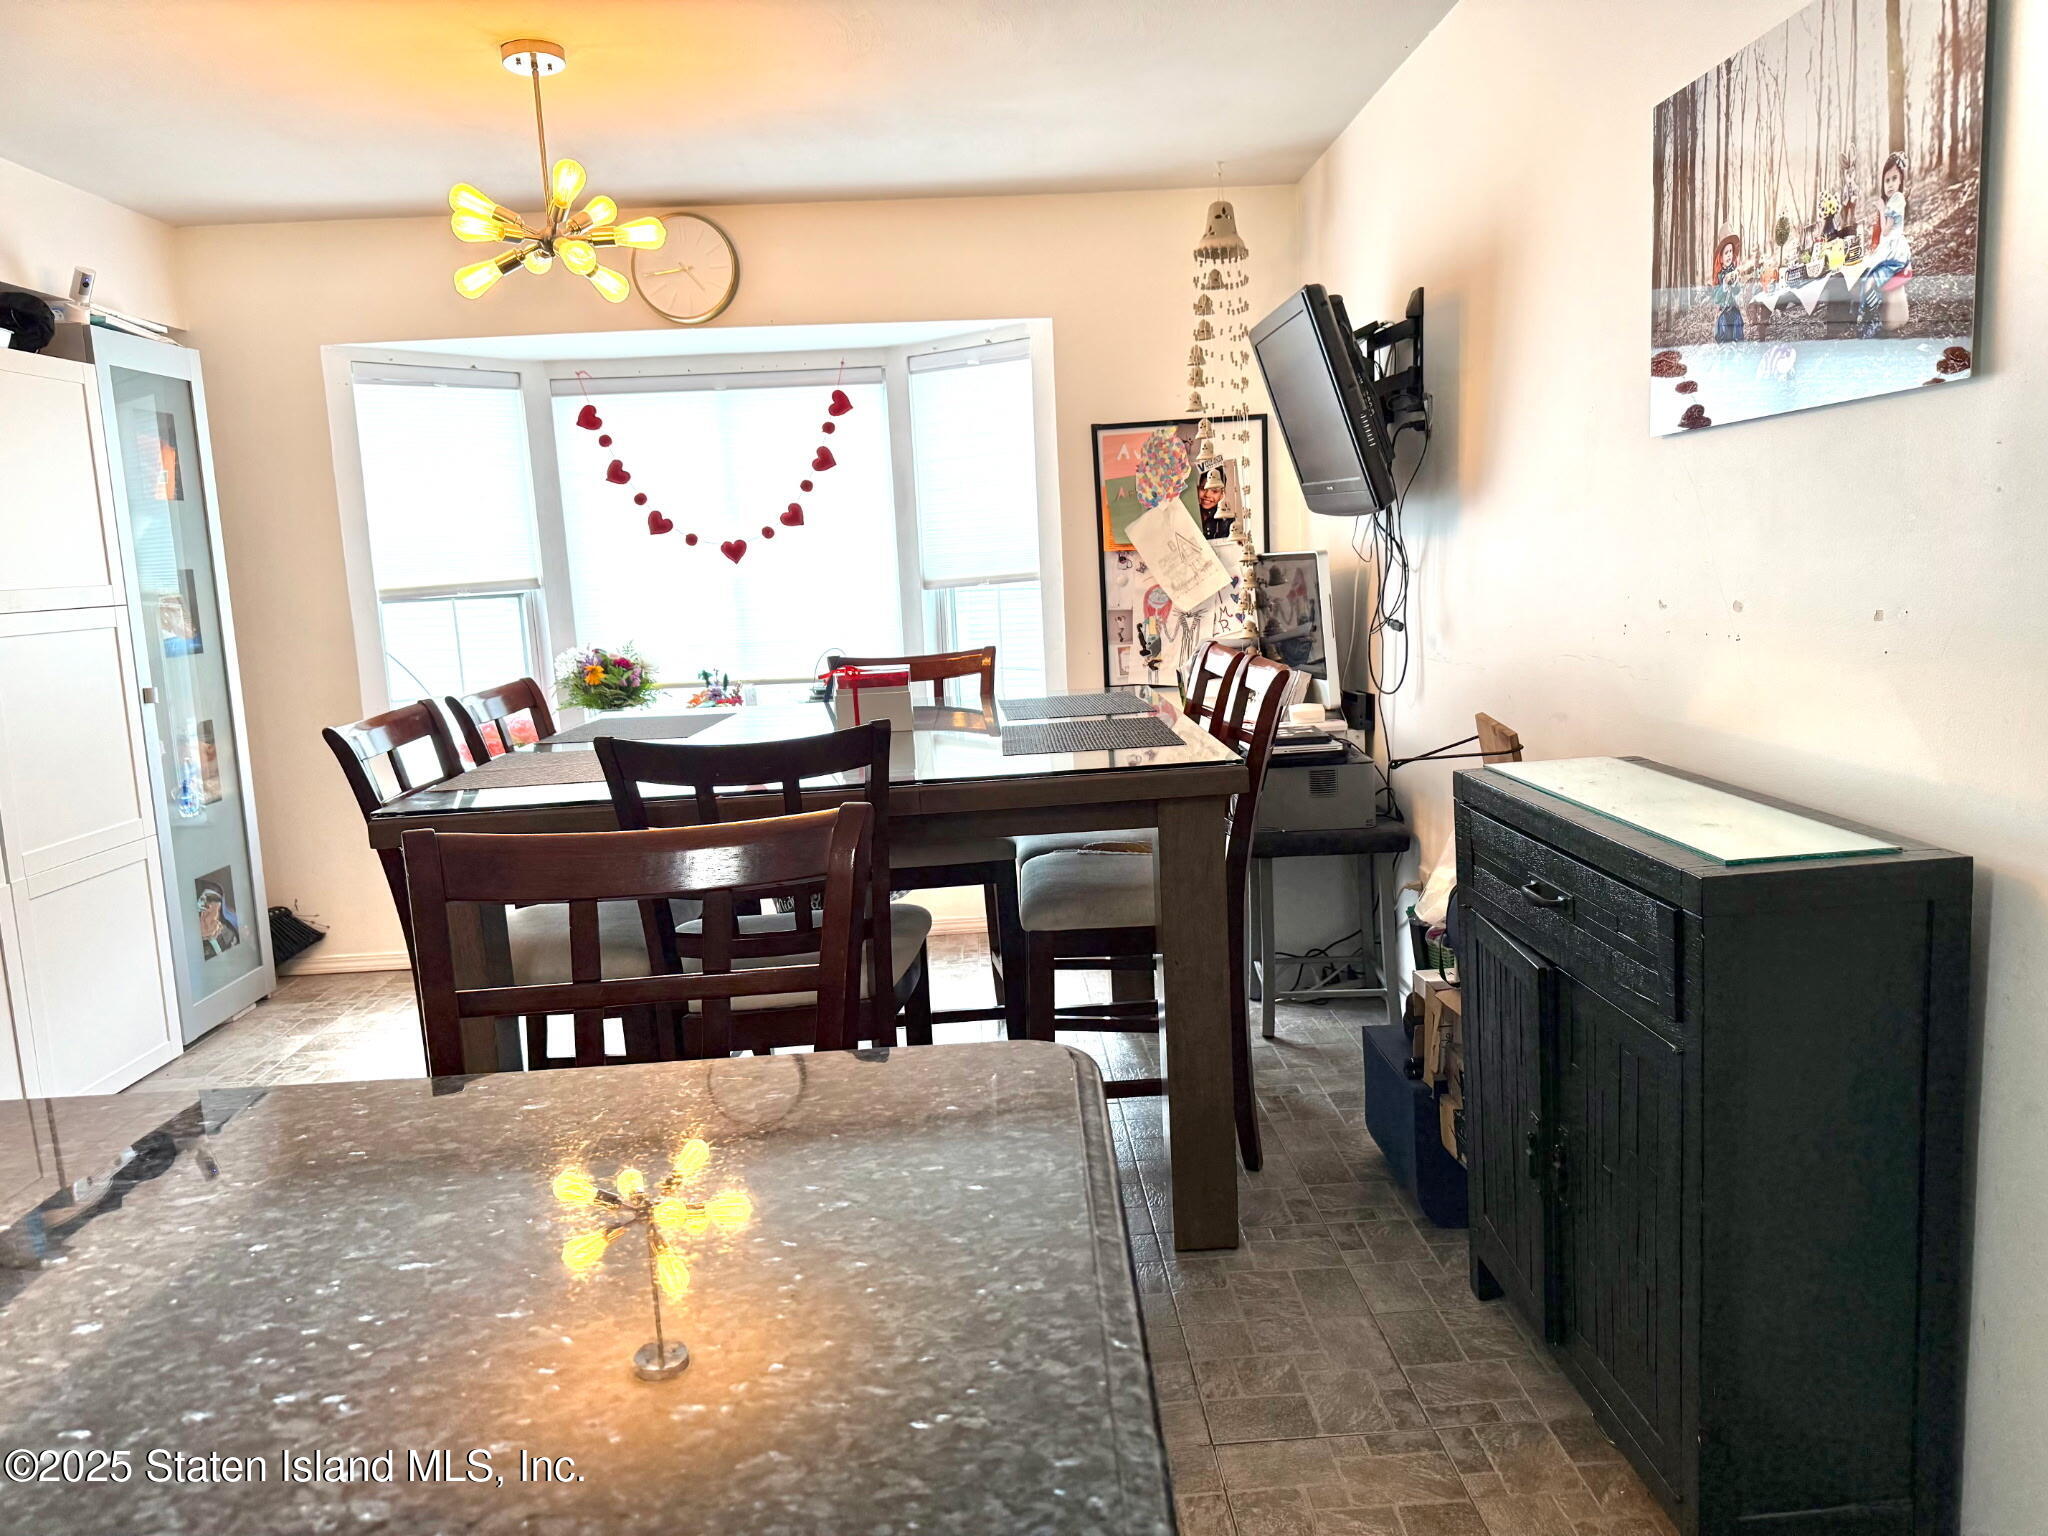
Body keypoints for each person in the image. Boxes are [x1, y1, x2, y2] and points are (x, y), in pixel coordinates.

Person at [1857, 151, 1913, 335]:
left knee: (1870, 281)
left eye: (1894, 179)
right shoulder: (1891, 201)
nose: (1890, 184)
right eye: (1886, 180)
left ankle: (1870, 320)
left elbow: (1887, 229)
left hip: (1894, 254)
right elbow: (1883, 229)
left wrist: (1881, 209)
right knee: (1865, 276)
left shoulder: (1897, 199)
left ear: (1901, 180)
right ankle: (1867, 316)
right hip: (1887, 249)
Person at [1710, 235, 1744, 342]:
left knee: (1737, 321)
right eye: (1726, 253)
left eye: (1730, 251)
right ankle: (1724, 346)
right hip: (1723, 311)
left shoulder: (1733, 271)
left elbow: (1737, 291)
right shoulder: (1719, 276)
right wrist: (1724, 284)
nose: (1729, 255)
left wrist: (1734, 284)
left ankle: (1737, 344)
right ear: (1720, 258)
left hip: (1733, 308)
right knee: (1723, 325)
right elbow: (1716, 299)